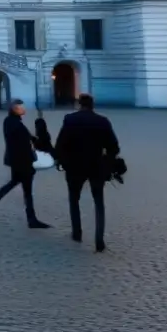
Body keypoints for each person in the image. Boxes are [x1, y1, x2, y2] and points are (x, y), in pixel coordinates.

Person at [54, 93, 120, 253]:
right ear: (92, 105)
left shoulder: (70, 119)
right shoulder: (102, 121)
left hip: (74, 166)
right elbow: (114, 147)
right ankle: (99, 240)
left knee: (74, 199)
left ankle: (77, 233)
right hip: (96, 166)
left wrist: (61, 162)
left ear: (79, 104)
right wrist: (107, 160)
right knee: (98, 202)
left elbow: (60, 144)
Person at [0, 99, 50, 229]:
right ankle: (31, 220)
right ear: (13, 109)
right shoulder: (13, 123)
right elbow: (26, 141)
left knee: (14, 185)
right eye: (20, 107)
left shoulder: (14, 122)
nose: (23, 109)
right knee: (26, 190)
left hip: (18, 160)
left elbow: (30, 139)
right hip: (21, 161)